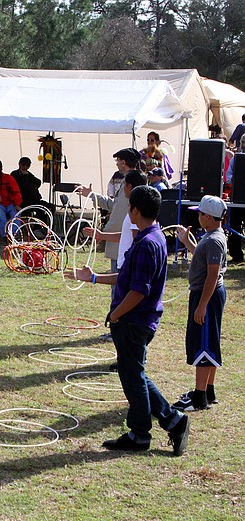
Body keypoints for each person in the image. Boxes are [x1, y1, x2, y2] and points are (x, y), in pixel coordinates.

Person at [67, 186, 190, 456]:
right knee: (134, 373)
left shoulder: (147, 243)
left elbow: (139, 290)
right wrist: (95, 277)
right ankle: (172, 420)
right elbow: (126, 277)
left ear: (135, 210)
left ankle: (140, 433)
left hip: (135, 321)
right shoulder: (151, 237)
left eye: (129, 207)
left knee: (133, 377)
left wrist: (116, 314)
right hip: (137, 319)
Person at [170, 196, 227, 411]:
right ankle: (208, 390)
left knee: (203, 345)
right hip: (208, 294)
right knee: (210, 341)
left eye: (200, 213)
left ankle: (199, 397)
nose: (198, 217)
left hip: (207, 295)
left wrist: (202, 305)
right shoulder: (213, 236)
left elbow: (212, 275)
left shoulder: (213, 240)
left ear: (208, 217)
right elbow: (202, 260)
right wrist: (187, 242)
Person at [79, 148, 141, 271]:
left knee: (118, 283)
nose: (117, 164)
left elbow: (119, 214)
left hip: (121, 242)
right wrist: (92, 195)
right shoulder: (133, 180)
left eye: (118, 161)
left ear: (123, 163)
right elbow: (116, 205)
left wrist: (103, 234)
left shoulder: (129, 183)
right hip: (123, 239)